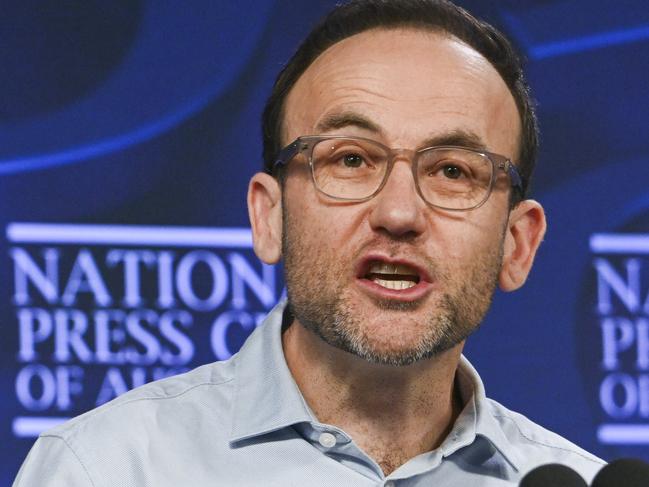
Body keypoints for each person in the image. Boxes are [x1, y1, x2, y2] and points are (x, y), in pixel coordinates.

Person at [14, 1, 605, 485]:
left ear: (518, 243)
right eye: (350, 159)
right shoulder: (109, 468)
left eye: (453, 171)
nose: (399, 212)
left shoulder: (574, 479)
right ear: (269, 217)